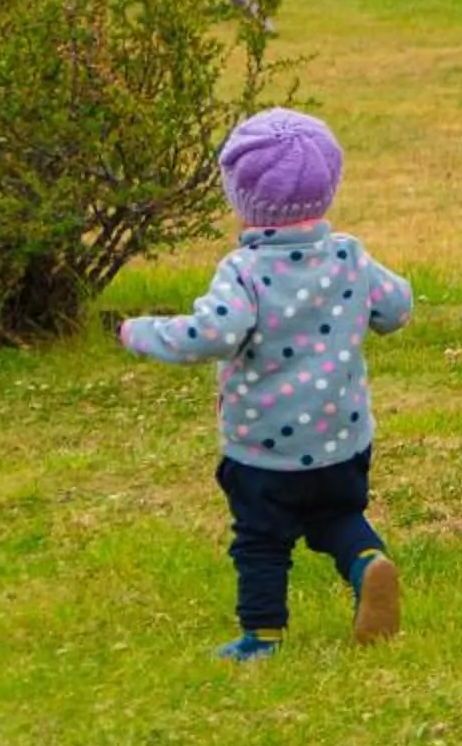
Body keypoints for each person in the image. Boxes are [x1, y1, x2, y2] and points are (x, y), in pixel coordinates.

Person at [116, 108, 416, 661]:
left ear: (240, 193)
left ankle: (262, 637)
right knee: (338, 517)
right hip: (341, 440)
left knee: (261, 540)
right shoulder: (349, 255)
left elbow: (212, 334)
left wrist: (140, 332)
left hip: (263, 448)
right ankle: (368, 563)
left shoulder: (245, 270)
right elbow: (396, 308)